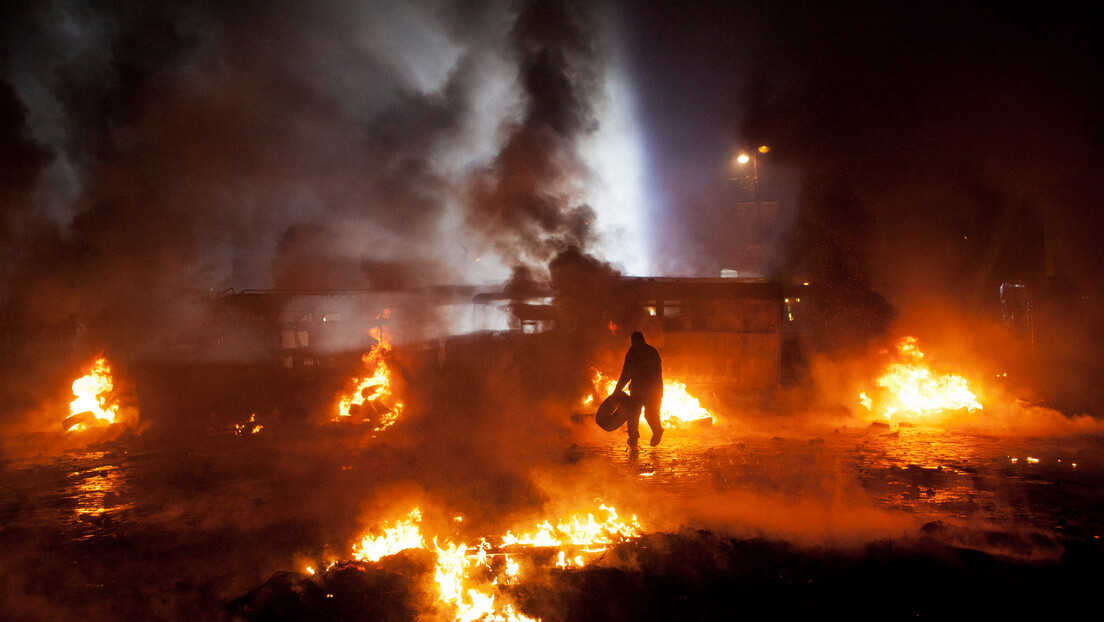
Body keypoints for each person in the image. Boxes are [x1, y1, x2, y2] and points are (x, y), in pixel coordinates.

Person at [614, 331, 664, 447]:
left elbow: (626, 373)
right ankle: (639, 436)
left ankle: (651, 432)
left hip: (645, 389)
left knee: (641, 414)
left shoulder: (638, 352)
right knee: (641, 414)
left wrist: (618, 389)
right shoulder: (649, 351)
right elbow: (627, 373)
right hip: (647, 389)